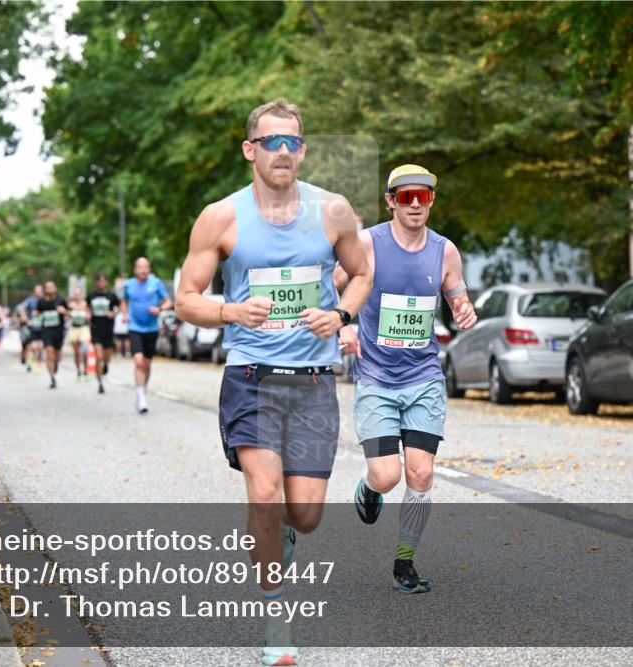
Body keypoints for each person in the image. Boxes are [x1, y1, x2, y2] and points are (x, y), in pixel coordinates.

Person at [175, 98, 371, 666]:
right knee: (265, 494)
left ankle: (279, 539)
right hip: (251, 377)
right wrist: (229, 313)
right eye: (271, 142)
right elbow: (186, 300)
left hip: (312, 381)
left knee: (304, 515)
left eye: (293, 142)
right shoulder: (221, 218)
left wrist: (341, 317)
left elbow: (362, 274)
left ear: (303, 150)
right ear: (250, 150)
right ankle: (276, 621)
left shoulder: (332, 211)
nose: (283, 152)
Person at [334, 164, 478, 594]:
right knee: (386, 476)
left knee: (420, 473)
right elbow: (329, 285)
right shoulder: (367, 244)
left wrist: (464, 310)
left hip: (423, 376)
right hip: (377, 377)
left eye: (424, 196)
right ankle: (368, 488)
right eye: (406, 196)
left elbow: (458, 296)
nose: (415, 204)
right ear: (391, 201)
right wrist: (343, 324)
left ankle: (405, 563)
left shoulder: (444, 251)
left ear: (432, 200)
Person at [121, 258, 172, 413]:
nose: (143, 270)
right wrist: (124, 314)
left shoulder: (156, 283)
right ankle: (141, 397)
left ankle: (142, 389)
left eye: (146, 267)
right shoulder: (129, 285)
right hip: (134, 327)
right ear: (135, 269)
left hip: (151, 328)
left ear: (149, 269)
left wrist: (160, 308)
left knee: (147, 365)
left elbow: (168, 301)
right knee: (138, 362)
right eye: (140, 267)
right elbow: (124, 301)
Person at [89, 273, 121, 394]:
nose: (101, 283)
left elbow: (119, 307)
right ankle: (100, 383)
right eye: (99, 281)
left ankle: (106, 365)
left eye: (104, 281)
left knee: (106, 357)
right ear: (96, 283)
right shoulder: (91, 296)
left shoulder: (111, 296)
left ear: (106, 282)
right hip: (96, 329)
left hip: (108, 329)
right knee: (99, 356)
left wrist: (114, 313)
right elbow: (87, 307)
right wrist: (88, 313)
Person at [37, 281, 68, 389]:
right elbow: (38, 314)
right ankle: (52, 378)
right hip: (46, 331)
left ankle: (56, 364)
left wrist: (64, 312)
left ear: (55, 288)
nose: (50, 289)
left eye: (52, 286)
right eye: (47, 287)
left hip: (59, 331)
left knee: (57, 356)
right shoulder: (41, 302)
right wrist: (36, 315)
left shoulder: (61, 300)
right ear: (45, 289)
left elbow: (68, 314)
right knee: (49, 353)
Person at [66, 286, 92, 382]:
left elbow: (89, 315)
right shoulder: (70, 304)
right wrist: (70, 312)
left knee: (84, 350)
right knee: (76, 353)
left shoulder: (86, 304)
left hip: (83, 328)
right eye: (75, 294)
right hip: (74, 329)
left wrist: (84, 313)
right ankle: (78, 372)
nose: (77, 296)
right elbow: (66, 316)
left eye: (79, 294)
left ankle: (86, 371)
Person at [23, 284, 45, 372]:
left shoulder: (44, 300)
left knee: (40, 346)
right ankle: (29, 361)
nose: (39, 292)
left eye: (40, 291)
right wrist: (26, 320)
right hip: (33, 327)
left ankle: (39, 365)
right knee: (33, 347)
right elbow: (22, 309)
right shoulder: (29, 300)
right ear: (34, 291)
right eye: (37, 291)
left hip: (42, 327)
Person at [113, 278, 131, 358]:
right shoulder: (128, 307)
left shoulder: (118, 307)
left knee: (120, 340)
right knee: (126, 340)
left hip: (120, 326)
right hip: (124, 325)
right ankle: (127, 352)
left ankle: (119, 353)